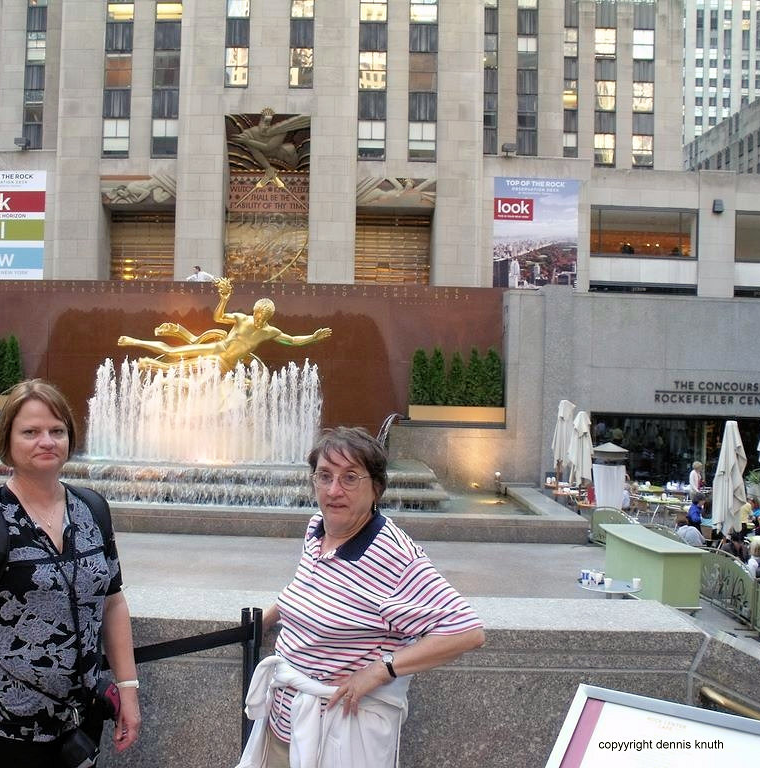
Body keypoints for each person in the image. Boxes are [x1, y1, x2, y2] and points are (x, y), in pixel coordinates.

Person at [237, 427, 485, 768]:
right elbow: (310, 587)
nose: (334, 490)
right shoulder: (318, 529)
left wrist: (381, 671)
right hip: (284, 726)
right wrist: (267, 618)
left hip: (339, 735)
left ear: (376, 489)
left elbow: (467, 631)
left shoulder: (394, 556)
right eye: (325, 476)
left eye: (350, 478)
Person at [0, 379, 140, 768]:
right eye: (30, 432)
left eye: (57, 431)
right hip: (8, 731)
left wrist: (127, 690)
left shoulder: (92, 509)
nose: (46, 441)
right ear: (7, 441)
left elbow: (113, 602)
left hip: (82, 721)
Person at [118, 277, 331, 374]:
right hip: (216, 349)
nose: (257, 319)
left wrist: (313, 337)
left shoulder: (269, 332)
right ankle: (134, 341)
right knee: (174, 352)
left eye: (261, 317)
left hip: (226, 364)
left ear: (268, 317)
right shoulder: (241, 318)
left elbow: (291, 340)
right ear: (254, 311)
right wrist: (224, 299)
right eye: (256, 314)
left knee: (185, 371)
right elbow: (219, 317)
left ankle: (153, 366)